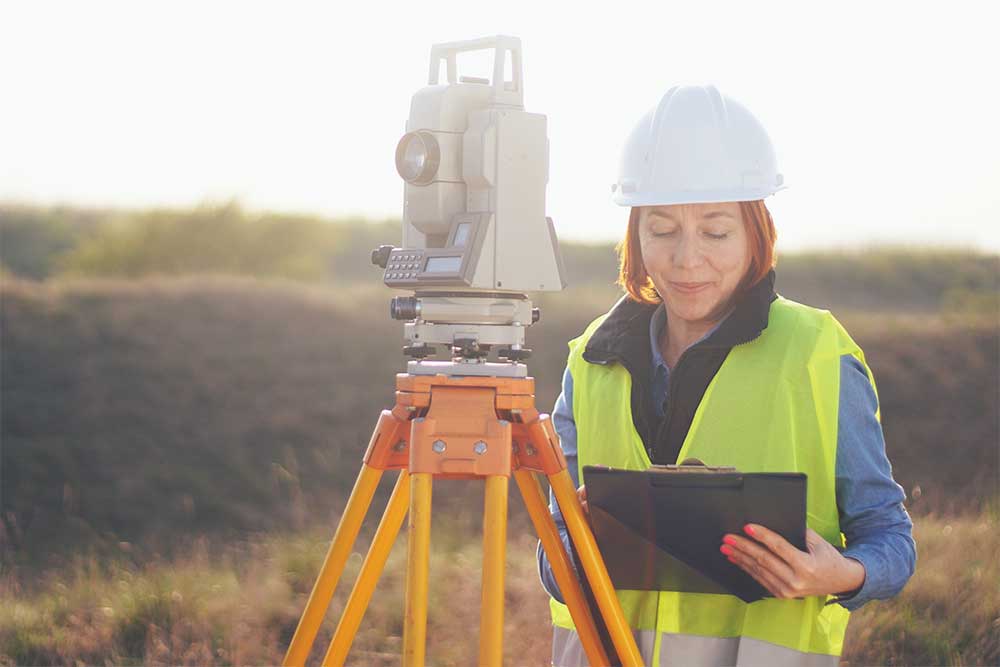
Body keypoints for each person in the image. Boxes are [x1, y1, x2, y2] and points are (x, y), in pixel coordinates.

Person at [536, 85, 916, 667]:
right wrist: (575, 547)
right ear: (635, 235)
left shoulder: (817, 354)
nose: (688, 260)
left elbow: (890, 539)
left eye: (715, 232)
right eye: (662, 231)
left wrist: (839, 574)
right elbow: (554, 559)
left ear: (755, 233)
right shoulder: (589, 360)